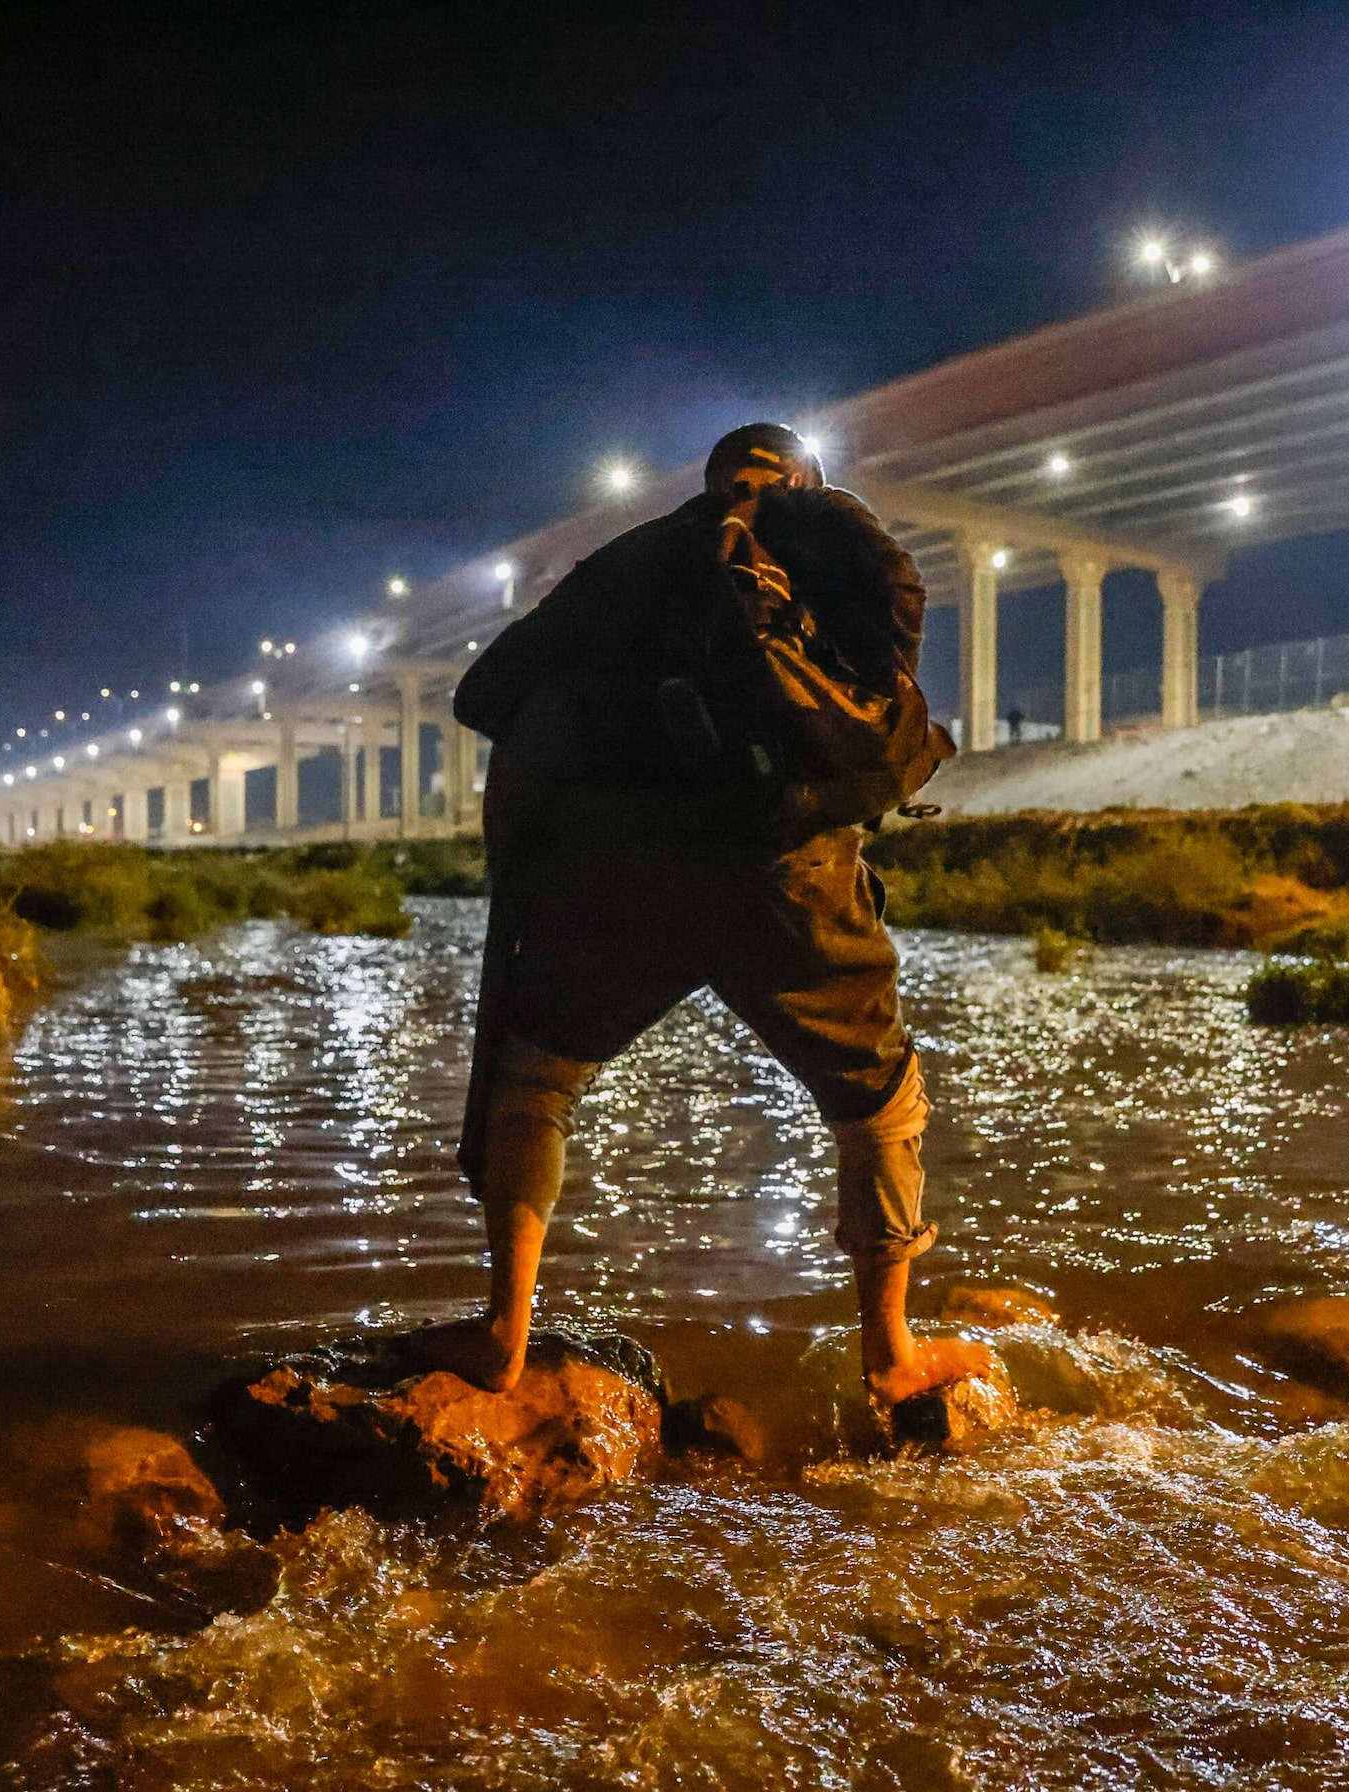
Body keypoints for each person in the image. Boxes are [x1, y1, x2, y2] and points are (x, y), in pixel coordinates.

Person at [409, 423, 988, 1408]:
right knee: (877, 1096)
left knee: (536, 1083)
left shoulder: (630, 561)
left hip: (614, 874)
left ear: (704, 483)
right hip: (785, 872)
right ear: (805, 482)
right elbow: (888, 664)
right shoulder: (819, 543)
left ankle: (505, 1335)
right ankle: (891, 1353)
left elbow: (486, 692)